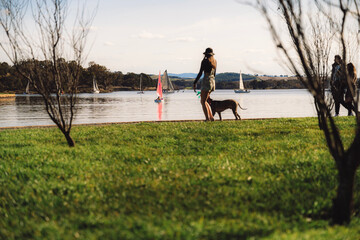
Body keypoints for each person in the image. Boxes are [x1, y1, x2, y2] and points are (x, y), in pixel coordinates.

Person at [193, 47, 217, 121]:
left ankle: (207, 118)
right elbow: (214, 74)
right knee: (205, 100)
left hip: (206, 82)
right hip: (212, 82)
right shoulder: (214, 61)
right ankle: (211, 117)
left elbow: (200, 73)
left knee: (203, 101)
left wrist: (195, 82)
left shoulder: (205, 61)